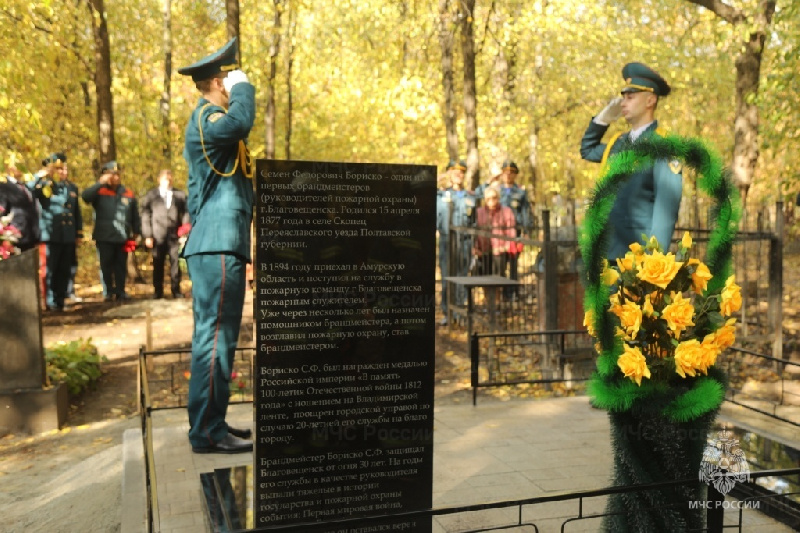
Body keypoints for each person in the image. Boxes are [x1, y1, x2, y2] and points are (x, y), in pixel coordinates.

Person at [178, 37, 254, 454]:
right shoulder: (209, 119)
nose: (235, 83)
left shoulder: (214, 123)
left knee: (220, 339)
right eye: (230, 78)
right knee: (214, 339)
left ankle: (213, 422)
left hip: (224, 244)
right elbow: (240, 123)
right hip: (215, 245)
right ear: (219, 83)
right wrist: (245, 90)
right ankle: (206, 432)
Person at [580, 62, 682, 261]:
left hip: (637, 259)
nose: (622, 103)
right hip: (607, 253)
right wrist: (602, 120)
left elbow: (665, 210)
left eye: (630, 97)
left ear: (650, 100)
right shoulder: (617, 143)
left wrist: (654, 261)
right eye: (623, 98)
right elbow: (587, 150)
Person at [29, 153, 82, 311]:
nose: (62, 171)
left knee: (64, 269)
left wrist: (78, 233)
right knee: (50, 269)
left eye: (64, 168)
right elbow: (28, 190)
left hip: (67, 235)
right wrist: (40, 175)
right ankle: (50, 302)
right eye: (58, 168)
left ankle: (60, 299)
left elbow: (76, 211)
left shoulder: (71, 187)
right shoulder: (44, 186)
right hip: (51, 234)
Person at [81, 160, 141, 302]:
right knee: (106, 265)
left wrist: (136, 232)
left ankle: (120, 291)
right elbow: (85, 197)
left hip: (122, 236)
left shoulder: (128, 193)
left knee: (121, 266)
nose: (115, 177)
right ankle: (108, 292)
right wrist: (100, 183)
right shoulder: (99, 191)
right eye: (112, 174)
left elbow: (135, 216)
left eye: (117, 174)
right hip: (104, 236)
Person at [436, 159, 476, 325]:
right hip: (446, 241)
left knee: (462, 278)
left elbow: (474, 222)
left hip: (465, 242)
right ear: (449, 173)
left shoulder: (470, 197)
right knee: (447, 278)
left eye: (461, 172)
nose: (458, 175)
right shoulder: (440, 195)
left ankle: (460, 312)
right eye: (454, 172)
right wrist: (440, 178)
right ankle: (447, 312)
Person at [140, 169, 190, 299]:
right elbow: (145, 215)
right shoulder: (151, 195)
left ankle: (176, 290)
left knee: (175, 263)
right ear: (159, 180)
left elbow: (185, 214)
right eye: (164, 179)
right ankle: (158, 291)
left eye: (169, 179)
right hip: (157, 236)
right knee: (158, 263)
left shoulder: (179, 195)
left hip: (174, 235)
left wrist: (184, 233)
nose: (167, 182)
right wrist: (148, 235)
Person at [496, 160, 532, 295]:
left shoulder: (520, 192)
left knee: (513, 264)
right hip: (498, 233)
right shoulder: (497, 191)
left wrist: (526, 231)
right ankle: (502, 292)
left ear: (515, 175)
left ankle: (512, 293)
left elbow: (525, 212)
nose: (508, 175)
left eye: (511, 173)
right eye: (505, 172)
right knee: (500, 263)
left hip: (514, 232)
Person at [472, 185, 516, 276]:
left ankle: (499, 290)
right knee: (485, 279)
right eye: (488, 199)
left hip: (500, 252)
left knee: (498, 279)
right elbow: (475, 231)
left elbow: (511, 232)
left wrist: (505, 247)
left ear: (498, 198)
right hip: (483, 252)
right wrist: (475, 248)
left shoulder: (506, 211)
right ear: (485, 199)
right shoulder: (479, 212)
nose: (491, 201)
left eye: (494, 198)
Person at [0, 164, 40, 252]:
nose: (22, 168)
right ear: (9, 167)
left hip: (31, 238)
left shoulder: (24, 187)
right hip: (16, 240)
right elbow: (2, 212)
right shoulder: (3, 186)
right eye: (18, 165)